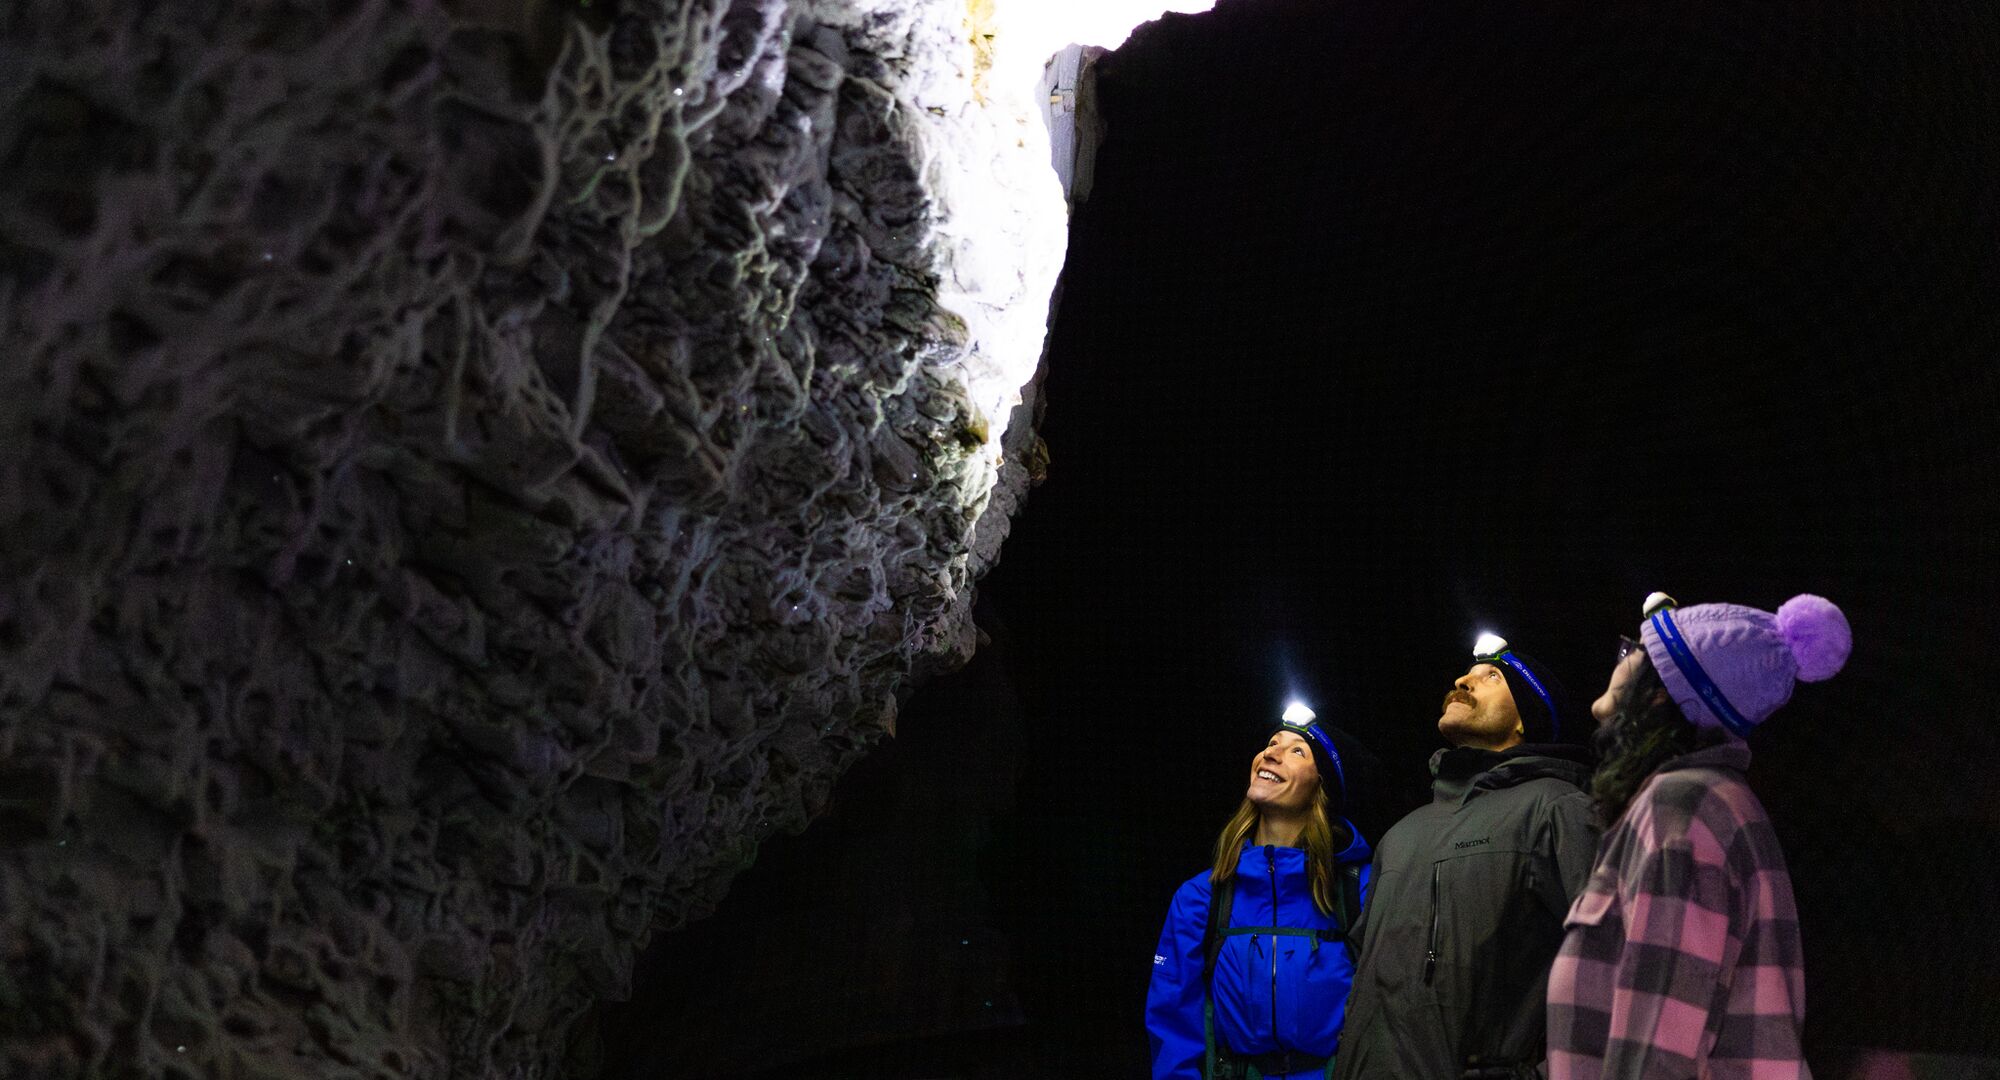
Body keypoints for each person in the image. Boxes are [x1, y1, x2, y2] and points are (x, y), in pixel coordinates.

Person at [1548, 592, 1850, 1080]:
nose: (1624, 659)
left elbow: (1657, 1055)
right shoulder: (1705, 801)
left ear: (1662, 693)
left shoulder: (1684, 811)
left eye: (1636, 652)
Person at [1335, 633, 1601, 1080]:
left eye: (1491, 676)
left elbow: (1611, 959)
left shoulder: (1558, 807)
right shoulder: (1401, 834)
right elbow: (1361, 970)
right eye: (1467, 672)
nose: (1463, 680)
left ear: (1525, 721)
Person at [1146, 706, 1375, 1079]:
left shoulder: (1359, 892)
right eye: (1271, 744)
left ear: (1323, 785)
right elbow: (1173, 1020)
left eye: (1297, 751)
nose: (1270, 753)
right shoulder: (1200, 899)